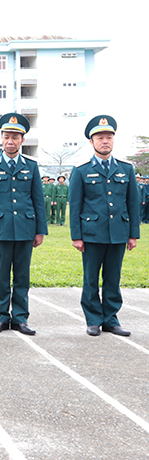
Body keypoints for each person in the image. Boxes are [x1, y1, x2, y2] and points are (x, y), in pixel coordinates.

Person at [69, 115, 140, 337]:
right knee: (91, 279)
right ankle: (93, 319)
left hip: (118, 233)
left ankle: (111, 319)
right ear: (91, 141)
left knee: (113, 278)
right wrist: (76, 236)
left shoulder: (126, 169)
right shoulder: (81, 171)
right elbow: (76, 206)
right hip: (92, 234)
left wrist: (133, 235)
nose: (105, 141)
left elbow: (133, 203)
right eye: (100, 137)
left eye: (109, 136)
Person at [0, 113, 47, 335]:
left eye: (15, 137)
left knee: (22, 277)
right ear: (1, 138)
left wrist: (40, 231)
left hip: (26, 230)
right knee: (1, 278)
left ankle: (20, 318)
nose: (11, 141)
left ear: (22, 140)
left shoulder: (32, 166)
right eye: (7, 136)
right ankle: (0, 317)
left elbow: (38, 200)